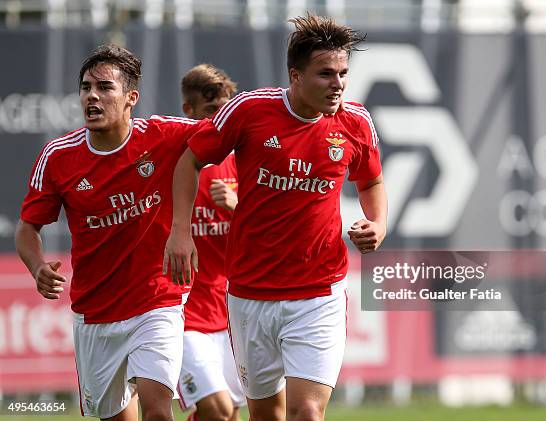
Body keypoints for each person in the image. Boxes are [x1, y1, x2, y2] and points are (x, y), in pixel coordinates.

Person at [164, 14, 387, 421]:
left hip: (319, 292)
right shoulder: (249, 111)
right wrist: (182, 232)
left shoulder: (355, 122)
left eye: (342, 73)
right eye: (325, 74)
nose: (337, 83)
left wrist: (378, 224)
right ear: (296, 76)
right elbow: (189, 159)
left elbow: (371, 181)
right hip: (251, 293)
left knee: (306, 413)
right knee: (265, 414)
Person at [15, 44, 206, 421]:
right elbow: (27, 228)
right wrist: (37, 267)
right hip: (96, 313)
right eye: (86, 87)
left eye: (105, 87)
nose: (92, 96)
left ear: (131, 97)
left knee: (157, 412)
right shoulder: (58, 156)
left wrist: (184, 227)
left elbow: (226, 134)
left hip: (158, 301)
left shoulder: (164, 135)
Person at [177, 64, 246, 421]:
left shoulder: (242, 164)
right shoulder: (175, 164)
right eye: (211, 112)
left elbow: (265, 238)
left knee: (228, 414)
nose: (221, 120)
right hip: (183, 314)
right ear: (188, 111)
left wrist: (237, 209)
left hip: (232, 314)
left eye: (226, 109)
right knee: (218, 409)